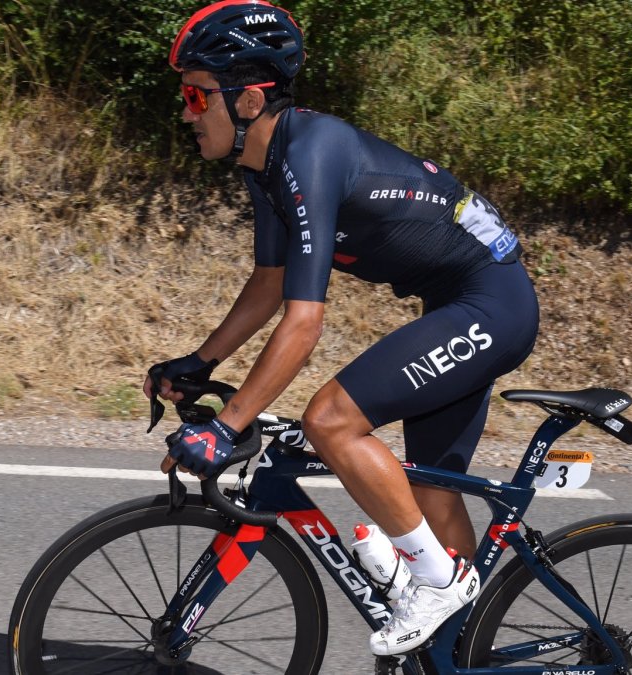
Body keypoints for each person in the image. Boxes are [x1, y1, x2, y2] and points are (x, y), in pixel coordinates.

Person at [143, 0, 540, 657]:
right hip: (454, 301)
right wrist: (201, 361)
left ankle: (439, 582)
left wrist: (228, 425)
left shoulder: (311, 154)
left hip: (492, 302)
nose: (186, 112)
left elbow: (304, 323)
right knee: (429, 491)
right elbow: (270, 283)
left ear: (248, 101)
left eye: (195, 95)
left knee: (330, 420)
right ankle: (457, 656)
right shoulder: (265, 166)